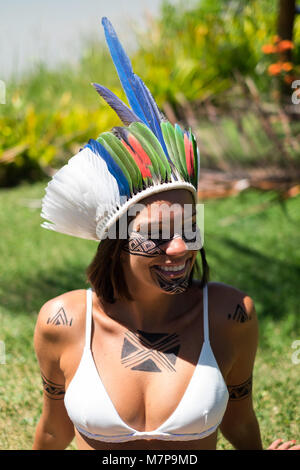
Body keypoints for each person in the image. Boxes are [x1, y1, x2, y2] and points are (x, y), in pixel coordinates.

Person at [32, 18, 299, 451]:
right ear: (115, 242)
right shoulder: (62, 322)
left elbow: (240, 421)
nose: (178, 248)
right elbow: (52, 430)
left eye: (190, 229)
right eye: (156, 235)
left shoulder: (230, 315)